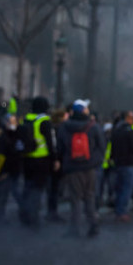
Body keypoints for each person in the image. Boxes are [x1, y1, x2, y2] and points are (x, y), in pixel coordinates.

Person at [56, 99, 106, 238]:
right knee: (89, 196)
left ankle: (74, 229)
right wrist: (95, 162)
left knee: (75, 199)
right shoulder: (93, 126)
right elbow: (102, 147)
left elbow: (60, 148)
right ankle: (93, 225)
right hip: (90, 168)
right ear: (84, 111)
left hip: (72, 168)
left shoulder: (64, 127)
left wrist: (63, 162)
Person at [21, 97, 58, 229]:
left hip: (26, 158)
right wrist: (55, 159)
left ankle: (24, 214)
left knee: (27, 187)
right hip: (41, 160)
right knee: (37, 190)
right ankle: (33, 217)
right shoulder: (44, 121)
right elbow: (50, 143)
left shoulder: (27, 119)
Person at [111, 110, 133, 222]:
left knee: (119, 188)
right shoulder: (130, 132)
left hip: (118, 163)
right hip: (129, 163)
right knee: (127, 189)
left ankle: (118, 209)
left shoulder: (116, 130)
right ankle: (122, 211)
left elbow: (112, 147)